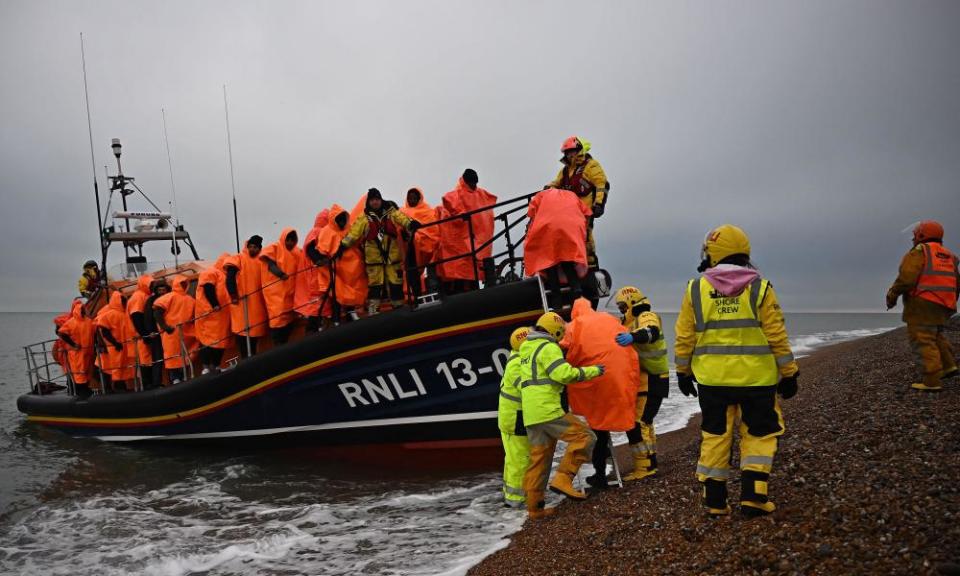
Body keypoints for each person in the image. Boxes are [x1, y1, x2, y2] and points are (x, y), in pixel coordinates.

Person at [674, 224, 799, 517]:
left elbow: (684, 337)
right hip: (757, 380)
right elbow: (777, 335)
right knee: (759, 432)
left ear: (712, 253)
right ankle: (754, 495)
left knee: (715, 433)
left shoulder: (695, 289)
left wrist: (682, 372)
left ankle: (715, 500)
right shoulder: (760, 288)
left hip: (712, 380)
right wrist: (789, 372)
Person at [519, 311, 604, 519]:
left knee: (539, 460)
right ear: (556, 331)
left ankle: (534, 508)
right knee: (585, 437)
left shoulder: (526, 349)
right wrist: (593, 371)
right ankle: (563, 479)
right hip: (548, 410)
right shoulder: (548, 347)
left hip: (531, 414)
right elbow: (563, 374)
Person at [561, 298, 640, 490]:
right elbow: (625, 338)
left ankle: (600, 475)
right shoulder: (609, 318)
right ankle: (644, 462)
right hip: (618, 376)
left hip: (597, 379)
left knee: (598, 426)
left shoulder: (575, 324)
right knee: (619, 413)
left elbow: (563, 345)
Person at [886, 220, 959, 391]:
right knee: (936, 335)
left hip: (922, 303)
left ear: (921, 235)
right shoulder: (950, 255)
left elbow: (907, 278)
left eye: (915, 235)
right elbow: (957, 282)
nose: (913, 239)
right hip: (944, 304)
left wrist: (892, 294)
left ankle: (931, 381)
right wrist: (950, 301)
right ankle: (949, 366)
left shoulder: (920, 252)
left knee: (923, 339)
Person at [614, 286, 670, 481]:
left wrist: (632, 337)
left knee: (638, 423)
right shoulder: (629, 322)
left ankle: (644, 467)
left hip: (654, 378)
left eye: (622, 306)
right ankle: (650, 462)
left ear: (631, 301)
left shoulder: (645, 315)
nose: (621, 310)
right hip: (649, 379)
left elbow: (651, 332)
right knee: (645, 422)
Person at [340, 189, 420, 315]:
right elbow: (353, 234)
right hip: (374, 259)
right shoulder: (363, 218)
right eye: (372, 200)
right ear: (369, 202)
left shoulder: (391, 212)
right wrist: (342, 246)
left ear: (381, 200)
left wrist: (411, 224)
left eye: (377, 199)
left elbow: (402, 218)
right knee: (375, 286)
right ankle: (373, 312)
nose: (375, 202)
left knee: (396, 283)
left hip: (392, 257)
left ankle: (398, 309)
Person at [524, 187, 592, 310]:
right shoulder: (572, 195)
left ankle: (556, 299)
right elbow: (587, 212)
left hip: (548, 229)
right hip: (571, 228)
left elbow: (531, 212)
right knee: (567, 260)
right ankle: (577, 291)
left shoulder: (541, 196)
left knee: (549, 263)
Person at [546, 136, 609, 268]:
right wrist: (548, 188)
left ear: (579, 150)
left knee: (585, 237)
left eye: (571, 151)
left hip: (585, 211)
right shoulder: (566, 170)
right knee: (567, 238)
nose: (569, 155)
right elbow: (557, 183)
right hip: (569, 213)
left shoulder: (591, 165)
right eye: (566, 152)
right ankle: (571, 266)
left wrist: (599, 204)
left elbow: (601, 184)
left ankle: (590, 265)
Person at [437, 169, 497, 294]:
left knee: (471, 272)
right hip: (463, 245)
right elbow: (449, 202)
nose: (474, 185)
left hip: (476, 242)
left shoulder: (481, 194)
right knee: (463, 272)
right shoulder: (456, 194)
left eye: (475, 183)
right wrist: (461, 215)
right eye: (471, 183)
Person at [498, 326, 532, 508]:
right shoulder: (518, 364)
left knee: (513, 459)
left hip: (513, 417)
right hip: (514, 419)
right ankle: (516, 500)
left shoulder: (517, 360)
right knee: (519, 459)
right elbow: (527, 388)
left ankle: (512, 496)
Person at [318, 205, 367, 321]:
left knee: (354, 291)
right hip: (337, 270)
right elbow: (322, 250)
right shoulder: (326, 232)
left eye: (343, 219)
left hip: (354, 268)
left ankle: (352, 313)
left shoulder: (350, 228)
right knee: (337, 294)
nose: (341, 222)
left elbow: (358, 241)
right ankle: (337, 320)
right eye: (339, 219)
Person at [225, 235, 268, 358]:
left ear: (259, 248)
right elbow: (230, 278)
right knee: (243, 339)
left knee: (254, 340)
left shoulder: (262, 261)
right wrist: (233, 295)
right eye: (251, 247)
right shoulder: (238, 258)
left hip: (257, 309)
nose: (253, 249)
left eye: (255, 247)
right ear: (247, 246)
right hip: (241, 308)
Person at [260, 228, 302, 344]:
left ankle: (284, 345)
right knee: (277, 321)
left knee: (289, 321)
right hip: (276, 295)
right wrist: (281, 274)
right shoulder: (275, 247)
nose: (291, 243)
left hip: (290, 294)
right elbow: (270, 265)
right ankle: (277, 345)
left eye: (293, 240)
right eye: (288, 240)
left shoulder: (296, 252)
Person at [153, 274, 196, 384]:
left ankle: (183, 376)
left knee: (181, 355)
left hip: (184, 333)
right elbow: (157, 312)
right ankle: (175, 379)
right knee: (173, 356)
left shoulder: (189, 299)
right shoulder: (170, 297)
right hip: (171, 333)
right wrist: (165, 327)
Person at [295, 210, 332, 332]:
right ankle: (312, 331)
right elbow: (310, 249)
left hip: (319, 274)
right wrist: (320, 260)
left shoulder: (320, 232)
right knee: (317, 305)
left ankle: (318, 329)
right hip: (316, 275)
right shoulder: (317, 232)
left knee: (321, 304)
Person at [195, 254, 232, 374]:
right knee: (207, 341)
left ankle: (215, 365)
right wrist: (214, 304)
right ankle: (205, 367)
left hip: (222, 315)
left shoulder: (225, 275)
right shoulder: (211, 272)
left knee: (221, 341)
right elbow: (208, 287)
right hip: (209, 314)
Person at [400, 187, 440, 294]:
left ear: (419, 198)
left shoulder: (428, 211)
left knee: (424, 269)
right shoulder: (402, 212)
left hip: (424, 246)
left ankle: (428, 291)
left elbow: (433, 231)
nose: (411, 200)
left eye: (414, 198)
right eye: (410, 198)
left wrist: (417, 235)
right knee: (411, 272)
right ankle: (416, 294)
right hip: (409, 248)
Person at [95, 291, 135, 392]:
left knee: (118, 368)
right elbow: (103, 330)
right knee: (114, 368)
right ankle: (115, 388)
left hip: (119, 346)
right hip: (112, 347)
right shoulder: (109, 314)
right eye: (122, 300)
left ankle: (118, 387)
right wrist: (114, 343)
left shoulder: (121, 313)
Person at [57, 299, 95, 396]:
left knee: (86, 370)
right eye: (82, 309)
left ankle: (85, 388)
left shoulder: (89, 321)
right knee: (78, 371)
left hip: (87, 351)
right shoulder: (71, 322)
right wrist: (73, 344)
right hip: (76, 352)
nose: (83, 310)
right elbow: (61, 332)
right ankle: (80, 390)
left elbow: (95, 333)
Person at [127, 274, 158, 389]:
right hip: (140, 337)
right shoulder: (138, 297)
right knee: (146, 359)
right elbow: (136, 317)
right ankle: (147, 384)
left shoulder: (145, 295)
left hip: (146, 334)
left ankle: (151, 383)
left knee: (149, 359)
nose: (152, 287)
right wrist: (145, 335)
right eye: (151, 284)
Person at [143, 278, 170, 385]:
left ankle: (175, 379)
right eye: (160, 290)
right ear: (156, 290)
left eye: (164, 290)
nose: (162, 292)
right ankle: (157, 382)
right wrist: (151, 331)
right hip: (157, 334)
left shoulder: (170, 297)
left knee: (172, 356)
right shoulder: (151, 301)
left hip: (169, 332)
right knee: (158, 358)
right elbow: (148, 317)